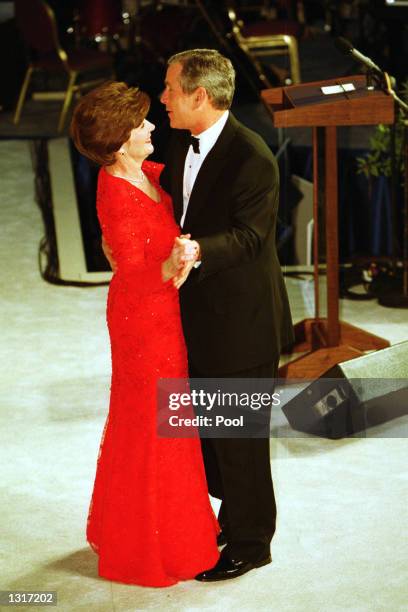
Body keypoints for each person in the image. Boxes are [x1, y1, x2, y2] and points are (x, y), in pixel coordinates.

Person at [70, 81, 219, 587]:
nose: (151, 126)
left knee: (164, 421)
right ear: (118, 139)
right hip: (142, 322)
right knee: (154, 424)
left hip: (160, 313)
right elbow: (132, 271)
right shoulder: (115, 190)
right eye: (140, 124)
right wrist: (174, 259)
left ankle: (164, 530)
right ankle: (147, 545)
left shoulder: (143, 173)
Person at [159, 49, 294, 582]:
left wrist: (197, 251)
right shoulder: (179, 139)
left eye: (170, 89)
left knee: (240, 441)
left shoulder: (253, 156)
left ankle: (251, 542)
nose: (162, 97)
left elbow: (251, 237)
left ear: (199, 96)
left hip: (243, 322)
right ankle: (228, 517)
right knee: (211, 438)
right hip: (198, 316)